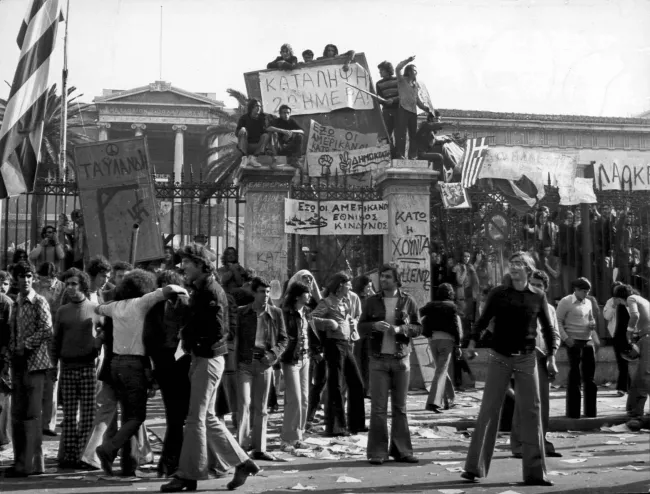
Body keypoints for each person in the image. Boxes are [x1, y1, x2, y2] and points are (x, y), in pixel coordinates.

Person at [161, 245, 258, 492]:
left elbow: (217, 331)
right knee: (208, 417)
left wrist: (189, 335)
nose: (183, 267)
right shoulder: (202, 289)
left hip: (208, 358)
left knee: (195, 418)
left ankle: (188, 475)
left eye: (188, 263)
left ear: (203, 265)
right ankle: (242, 462)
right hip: (204, 357)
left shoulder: (211, 292)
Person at [461, 252, 558, 486]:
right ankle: (474, 468)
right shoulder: (499, 294)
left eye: (519, 264)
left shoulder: (538, 296)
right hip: (500, 357)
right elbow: (483, 321)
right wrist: (472, 344)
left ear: (529, 269)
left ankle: (535, 473)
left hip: (527, 358)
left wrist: (552, 356)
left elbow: (547, 328)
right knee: (488, 411)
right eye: (512, 264)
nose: (514, 267)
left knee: (532, 412)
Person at [94, 270, 187, 476]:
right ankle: (109, 449)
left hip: (115, 363)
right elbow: (168, 290)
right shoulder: (142, 304)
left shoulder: (116, 307)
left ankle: (128, 464)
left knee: (128, 416)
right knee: (136, 417)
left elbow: (98, 308)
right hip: (134, 364)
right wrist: (185, 291)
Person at [359, 264, 422, 465]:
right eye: (382, 277)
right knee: (378, 408)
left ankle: (402, 451)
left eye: (387, 277)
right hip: (378, 361)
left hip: (401, 360)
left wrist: (401, 329)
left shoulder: (408, 301)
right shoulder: (371, 302)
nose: (383, 280)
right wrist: (373, 326)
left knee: (400, 408)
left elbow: (418, 328)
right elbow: (360, 327)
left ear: (396, 280)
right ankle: (378, 453)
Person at [7, 261, 55, 477]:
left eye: (28, 275)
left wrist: (25, 345)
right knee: (17, 414)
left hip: (35, 363)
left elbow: (47, 329)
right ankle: (20, 461)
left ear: (33, 278)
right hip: (18, 363)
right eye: (21, 276)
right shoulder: (16, 303)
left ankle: (32, 464)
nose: (25, 280)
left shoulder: (39, 301)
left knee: (32, 416)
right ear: (15, 278)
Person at [142, 270, 190, 477]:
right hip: (166, 368)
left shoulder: (185, 306)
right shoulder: (155, 309)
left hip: (183, 366)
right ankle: (171, 462)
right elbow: (149, 340)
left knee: (180, 417)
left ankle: (172, 462)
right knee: (175, 417)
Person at [52, 268, 102, 468]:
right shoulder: (62, 311)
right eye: (68, 284)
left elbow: (105, 332)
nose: (70, 287)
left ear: (82, 285)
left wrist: (98, 344)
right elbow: (56, 341)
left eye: (74, 283)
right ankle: (70, 456)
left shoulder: (96, 308)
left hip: (88, 367)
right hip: (68, 367)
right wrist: (52, 367)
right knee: (70, 415)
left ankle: (84, 455)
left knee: (88, 414)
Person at [510, 270, 562, 458]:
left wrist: (552, 356)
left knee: (543, 404)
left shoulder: (550, 309)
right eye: (532, 284)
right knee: (523, 403)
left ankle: (540, 439)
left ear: (545, 288)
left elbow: (554, 334)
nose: (535, 288)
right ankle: (518, 444)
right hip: (524, 357)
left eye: (539, 285)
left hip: (544, 359)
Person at [235, 277, 287, 460]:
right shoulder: (242, 313)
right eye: (261, 291)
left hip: (265, 364)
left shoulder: (276, 313)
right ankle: (241, 448)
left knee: (262, 408)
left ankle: (259, 448)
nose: (265, 295)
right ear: (254, 293)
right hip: (245, 364)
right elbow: (235, 338)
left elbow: (283, 339)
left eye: (267, 292)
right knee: (243, 404)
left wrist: (273, 354)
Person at [311, 272, 366, 437]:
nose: (350, 287)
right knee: (335, 385)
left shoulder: (346, 302)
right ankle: (336, 427)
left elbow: (353, 317)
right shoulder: (326, 302)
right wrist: (328, 323)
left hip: (347, 344)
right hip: (333, 345)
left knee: (357, 383)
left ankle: (357, 423)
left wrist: (351, 324)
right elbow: (311, 318)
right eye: (348, 284)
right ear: (340, 285)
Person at [556, 277, 599, 418]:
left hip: (587, 340)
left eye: (588, 291)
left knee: (590, 377)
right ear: (577, 290)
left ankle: (590, 411)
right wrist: (565, 338)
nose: (586, 294)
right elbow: (558, 321)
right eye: (584, 291)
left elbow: (591, 318)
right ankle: (573, 412)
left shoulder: (589, 302)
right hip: (573, 340)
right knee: (574, 376)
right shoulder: (566, 302)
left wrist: (592, 324)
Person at [279, 281, 313, 450]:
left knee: (305, 400)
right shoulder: (286, 313)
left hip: (305, 358)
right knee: (295, 400)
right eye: (307, 293)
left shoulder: (306, 312)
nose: (310, 296)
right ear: (298, 296)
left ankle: (298, 436)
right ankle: (286, 439)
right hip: (291, 359)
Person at [612, 284, 650, 430]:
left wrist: (628, 332)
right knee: (641, 376)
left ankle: (636, 413)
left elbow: (635, 315)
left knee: (643, 376)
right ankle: (633, 410)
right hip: (644, 338)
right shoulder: (643, 300)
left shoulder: (631, 298)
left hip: (647, 338)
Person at [420, 283, 461, 413]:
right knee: (441, 371)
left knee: (440, 370)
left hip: (432, 340)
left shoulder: (430, 306)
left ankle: (450, 399)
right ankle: (433, 402)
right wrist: (458, 345)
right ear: (451, 294)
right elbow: (455, 327)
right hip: (447, 341)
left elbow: (418, 313)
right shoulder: (452, 307)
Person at [34, 261, 65, 437]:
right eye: (41, 279)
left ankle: (48, 423)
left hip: (55, 338)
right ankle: (37, 419)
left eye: (46, 280)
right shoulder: (35, 286)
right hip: (38, 338)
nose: (43, 283)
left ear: (53, 277)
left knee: (52, 381)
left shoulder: (62, 289)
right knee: (37, 379)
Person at [394, 55, 430, 160]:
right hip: (403, 109)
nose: (416, 73)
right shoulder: (402, 80)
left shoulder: (415, 85)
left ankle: (412, 155)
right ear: (409, 72)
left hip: (413, 112)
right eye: (414, 70)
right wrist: (407, 61)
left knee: (413, 135)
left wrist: (425, 108)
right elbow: (397, 68)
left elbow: (417, 100)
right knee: (402, 134)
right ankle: (400, 154)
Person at [0, 281, 14, 452]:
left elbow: (11, 332)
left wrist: (6, 357)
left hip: (2, 357)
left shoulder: (6, 303)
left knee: (3, 399)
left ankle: (3, 438)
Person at [236, 99, 270, 164]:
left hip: (258, 145)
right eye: (256, 106)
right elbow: (237, 133)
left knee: (266, 135)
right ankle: (244, 158)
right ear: (251, 107)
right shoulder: (244, 118)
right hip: (246, 145)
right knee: (243, 130)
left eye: (260, 106)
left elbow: (267, 130)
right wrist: (242, 131)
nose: (259, 108)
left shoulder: (263, 118)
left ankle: (254, 158)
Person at [376, 61, 399, 146]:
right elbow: (379, 97)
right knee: (386, 133)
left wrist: (393, 100)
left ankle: (398, 154)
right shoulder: (378, 83)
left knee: (398, 133)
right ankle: (390, 152)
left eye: (381, 70)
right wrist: (381, 101)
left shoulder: (397, 80)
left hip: (398, 110)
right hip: (386, 111)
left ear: (387, 70)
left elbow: (403, 95)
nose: (379, 73)